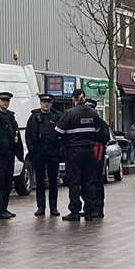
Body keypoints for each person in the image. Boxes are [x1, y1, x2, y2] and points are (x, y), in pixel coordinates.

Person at [58, 89, 110, 220]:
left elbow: (58, 132)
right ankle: (89, 211)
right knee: (89, 182)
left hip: (74, 152)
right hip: (89, 152)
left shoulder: (69, 114)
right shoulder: (94, 114)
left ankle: (75, 211)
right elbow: (99, 132)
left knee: (74, 182)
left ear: (73, 99)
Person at [0, 90, 24, 220]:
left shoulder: (10, 116)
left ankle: (4, 208)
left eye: (7, 101)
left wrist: (18, 152)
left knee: (8, 183)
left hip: (9, 155)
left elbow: (16, 135)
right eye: (3, 100)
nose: (5, 103)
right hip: (0, 156)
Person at [25, 93, 63, 216]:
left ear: (51, 103)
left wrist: (59, 151)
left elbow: (62, 135)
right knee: (39, 181)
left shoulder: (57, 116)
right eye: (43, 102)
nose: (46, 104)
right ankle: (41, 207)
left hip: (53, 153)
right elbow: (28, 135)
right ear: (40, 103)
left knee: (53, 181)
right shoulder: (34, 117)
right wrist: (32, 150)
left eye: (48, 102)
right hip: (39, 153)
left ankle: (53, 207)